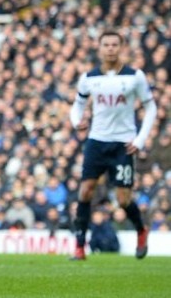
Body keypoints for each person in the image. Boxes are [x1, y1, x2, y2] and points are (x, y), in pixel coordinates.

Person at [68, 30, 157, 261]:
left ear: (121, 47)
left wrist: (140, 139)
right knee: (85, 190)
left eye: (114, 44)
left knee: (123, 199)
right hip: (96, 141)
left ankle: (141, 229)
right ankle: (79, 247)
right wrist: (77, 121)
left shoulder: (134, 76)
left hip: (122, 144)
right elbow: (77, 105)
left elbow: (151, 108)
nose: (110, 48)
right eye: (106, 44)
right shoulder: (89, 78)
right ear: (99, 48)